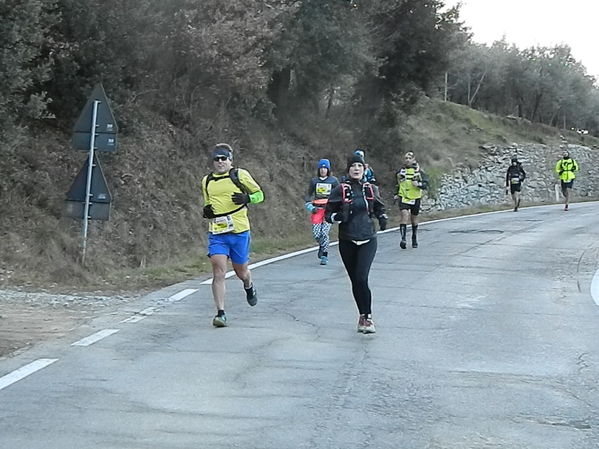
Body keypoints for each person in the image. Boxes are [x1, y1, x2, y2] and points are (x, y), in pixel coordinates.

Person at [201, 143, 264, 327]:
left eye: (223, 158)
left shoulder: (240, 175)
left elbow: (260, 195)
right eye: (216, 159)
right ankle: (220, 313)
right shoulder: (206, 181)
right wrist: (207, 212)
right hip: (217, 233)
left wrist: (248, 198)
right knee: (218, 270)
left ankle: (249, 285)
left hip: (239, 231)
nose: (220, 162)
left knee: (241, 272)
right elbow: (208, 204)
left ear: (230, 160)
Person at [325, 153, 387, 334]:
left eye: (359, 166)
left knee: (361, 277)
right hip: (347, 240)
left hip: (368, 238)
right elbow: (328, 213)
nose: (356, 169)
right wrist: (337, 216)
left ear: (364, 169)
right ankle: (362, 315)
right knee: (355, 281)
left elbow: (379, 207)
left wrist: (382, 217)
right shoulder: (340, 189)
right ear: (348, 169)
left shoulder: (371, 189)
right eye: (353, 166)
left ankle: (367, 317)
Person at [305, 158, 339, 265]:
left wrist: (337, 208)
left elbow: (339, 195)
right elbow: (308, 196)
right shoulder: (314, 181)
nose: (323, 170)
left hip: (328, 210)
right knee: (316, 234)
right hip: (317, 210)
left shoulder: (333, 181)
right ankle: (322, 245)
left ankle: (325, 254)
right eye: (321, 168)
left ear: (328, 170)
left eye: (325, 168)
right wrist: (310, 207)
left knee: (324, 233)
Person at [394, 151, 428, 249]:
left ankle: (414, 237)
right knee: (404, 215)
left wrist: (419, 184)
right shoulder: (400, 171)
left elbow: (426, 184)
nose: (408, 160)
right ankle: (403, 239)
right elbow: (397, 183)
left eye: (410, 158)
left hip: (415, 197)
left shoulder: (419, 171)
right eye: (406, 158)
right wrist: (396, 193)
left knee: (414, 219)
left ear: (414, 159)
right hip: (403, 197)